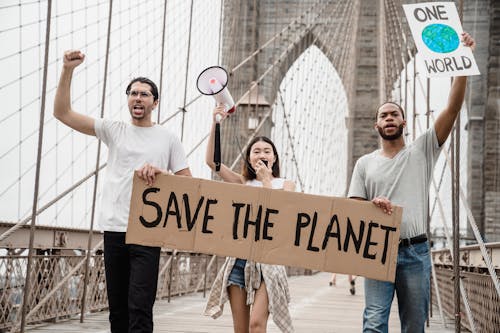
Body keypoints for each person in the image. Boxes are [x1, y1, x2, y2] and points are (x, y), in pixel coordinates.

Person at [53, 50, 192, 333]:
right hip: (114, 229)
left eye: (144, 94)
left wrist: (162, 174)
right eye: (133, 93)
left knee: (139, 309)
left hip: (147, 231)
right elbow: (62, 113)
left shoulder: (168, 138)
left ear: (155, 102)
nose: (138, 98)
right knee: (117, 311)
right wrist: (68, 70)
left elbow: (188, 183)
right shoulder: (114, 130)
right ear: (128, 99)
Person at [347, 33, 475, 333]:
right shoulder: (364, 163)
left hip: (415, 251)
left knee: (414, 326)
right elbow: (354, 206)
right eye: (384, 115)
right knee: (374, 324)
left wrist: (463, 63)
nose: (389, 118)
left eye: (395, 114)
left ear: (404, 122)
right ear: (376, 125)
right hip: (377, 249)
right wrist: (372, 206)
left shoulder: (422, 150)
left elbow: (452, 110)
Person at [204, 105, 294, 333]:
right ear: (249, 157)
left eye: (266, 151)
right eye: (256, 151)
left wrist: (266, 180)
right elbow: (213, 164)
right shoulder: (242, 182)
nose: (261, 154)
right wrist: (216, 123)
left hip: (270, 262)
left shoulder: (286, 185)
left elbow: (280, 214)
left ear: (274, 157)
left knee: (256, 324)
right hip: (240, 260)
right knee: (241, 329)